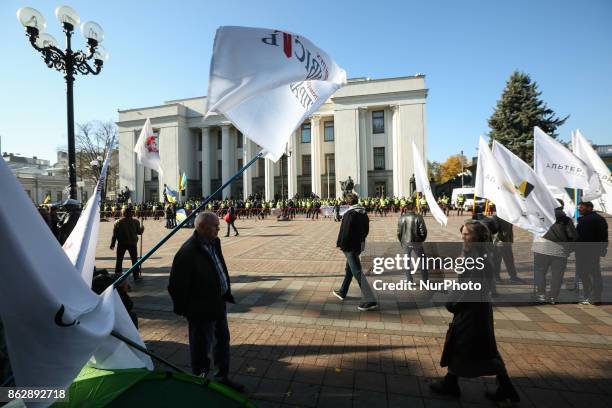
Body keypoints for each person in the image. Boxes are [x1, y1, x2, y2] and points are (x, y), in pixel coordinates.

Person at [430, 220, 520, 404]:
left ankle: (452, 384)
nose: (463, 237)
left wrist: (452, 304)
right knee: (483, 348)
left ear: (477, 236)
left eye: (467, 234)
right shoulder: (479, 252)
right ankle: (504, 386)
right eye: (462, 234)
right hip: (479, 308)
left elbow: (468, 286)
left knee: (463, 344)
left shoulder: (476, 257)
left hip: (471, 310)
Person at [168, 212, 243, 392]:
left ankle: (221, 377)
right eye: (215, 225)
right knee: (201, 349)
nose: (219, 227)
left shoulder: (214, 242)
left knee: (222, 342)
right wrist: (188, 310)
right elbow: (175, 286)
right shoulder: (188, 252)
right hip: (200, 310)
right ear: (201, 228)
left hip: (218, 303)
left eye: (218, 224)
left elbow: (218, 266)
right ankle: (200, 383)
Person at [332, 193, 378, 311]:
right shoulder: (363, 212)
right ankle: (343, 291)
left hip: (349, 246)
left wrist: (341, 244)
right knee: (350, 269)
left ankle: (370, 299)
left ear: (347, 203)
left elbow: (345, 231)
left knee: (357, 271)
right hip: (359, 244)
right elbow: (366, 230)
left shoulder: (349, 214)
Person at [532, 204, 578, 304]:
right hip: (559, 250)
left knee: (540, 273)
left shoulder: (540, 216)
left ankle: (541, 296)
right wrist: (569, 249)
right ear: (562, 207)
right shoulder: (566, 220)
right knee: (557, 275)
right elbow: (573, 236)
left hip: (541, 249)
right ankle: (553, 297)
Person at [576, 201, 608, 305]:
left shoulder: (588, 220)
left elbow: (580, 237)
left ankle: (589, 296)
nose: (579, 209)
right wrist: (602, 250)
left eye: (581, 207)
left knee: (586, 274)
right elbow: (604, 237)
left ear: (589, 208)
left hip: (585, 252)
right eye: (579, 207)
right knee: (594, 274)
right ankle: (595, 297)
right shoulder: (599, 219)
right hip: (592, 252)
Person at [110, 207, 144, 281]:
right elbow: (139, 232)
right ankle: (136, 276)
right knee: (134, 260)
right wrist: (142, 228)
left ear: (123, 213)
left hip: (121, 243)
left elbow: (114, 235)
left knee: (119, 260)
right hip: (132, 243)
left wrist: (112, 244)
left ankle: (118, 276)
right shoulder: (136, 222)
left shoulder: (118, 222)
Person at [397, 203, 428, 282]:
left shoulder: (402, 217)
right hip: (417, 242)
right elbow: (423, 231)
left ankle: (409, 279)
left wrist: (401, 241)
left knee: (407, 261)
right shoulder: (418, 217)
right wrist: (421, 240)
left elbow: (398, 232)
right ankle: (425, 279)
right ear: (414, 208)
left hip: (406, 242)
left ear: (407, 209)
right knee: (423, 260)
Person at [491, 215, 525, 284]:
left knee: (510, 260)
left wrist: (510, 240)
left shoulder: (509, 216)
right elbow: (493, 231)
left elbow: (510, 230)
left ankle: (513, 276)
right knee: (497, 261)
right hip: (498, 243)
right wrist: (497, 241)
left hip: (507, 242)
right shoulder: (495, 217)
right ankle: (496, 277)